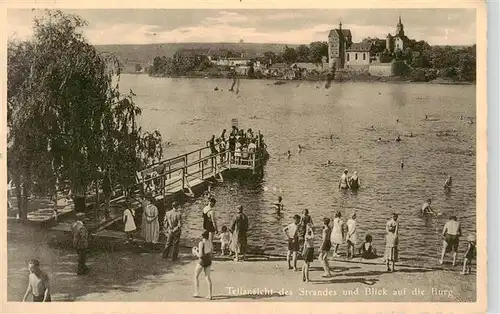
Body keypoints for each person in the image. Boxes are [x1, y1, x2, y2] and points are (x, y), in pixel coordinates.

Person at [193, 231, 213, 300]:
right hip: (208, 260)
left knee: (196, 276)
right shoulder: (210, 242)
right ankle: (210, 295)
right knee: (208, 277)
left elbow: (200, 255)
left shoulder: (201, 243)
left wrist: (196, 252)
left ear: (202, 237)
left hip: (202, 261)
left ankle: (196, 292)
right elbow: (211, 251)